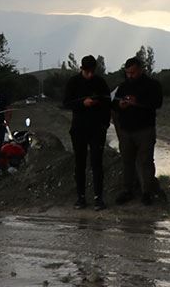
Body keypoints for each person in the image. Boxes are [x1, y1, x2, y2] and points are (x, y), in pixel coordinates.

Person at [62, 55, 111, 209]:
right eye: (87, 72)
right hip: (79, 129)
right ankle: (81, 197)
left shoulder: (100, 82)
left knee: (97, 163)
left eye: (92, 72)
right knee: (80, 163)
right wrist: (82, 103)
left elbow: (108, 102)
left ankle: (98, 197)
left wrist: (104, 124)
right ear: (82, 69)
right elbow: (66, 103)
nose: (90, 75)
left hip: (97, 129)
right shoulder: (74, 82)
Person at [114, 56, 164, 205]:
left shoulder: (153, 85)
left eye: (133, 72)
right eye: (128, 73)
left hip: (145, 130)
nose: (130, 76)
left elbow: (157, 103)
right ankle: (128, 190)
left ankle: (147, 192)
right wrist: (121, 105)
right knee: (127, 161)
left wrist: (137, 103)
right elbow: (114, 104)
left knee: (146, 161)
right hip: (126, 130)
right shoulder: (123, 87)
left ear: (140, 70)